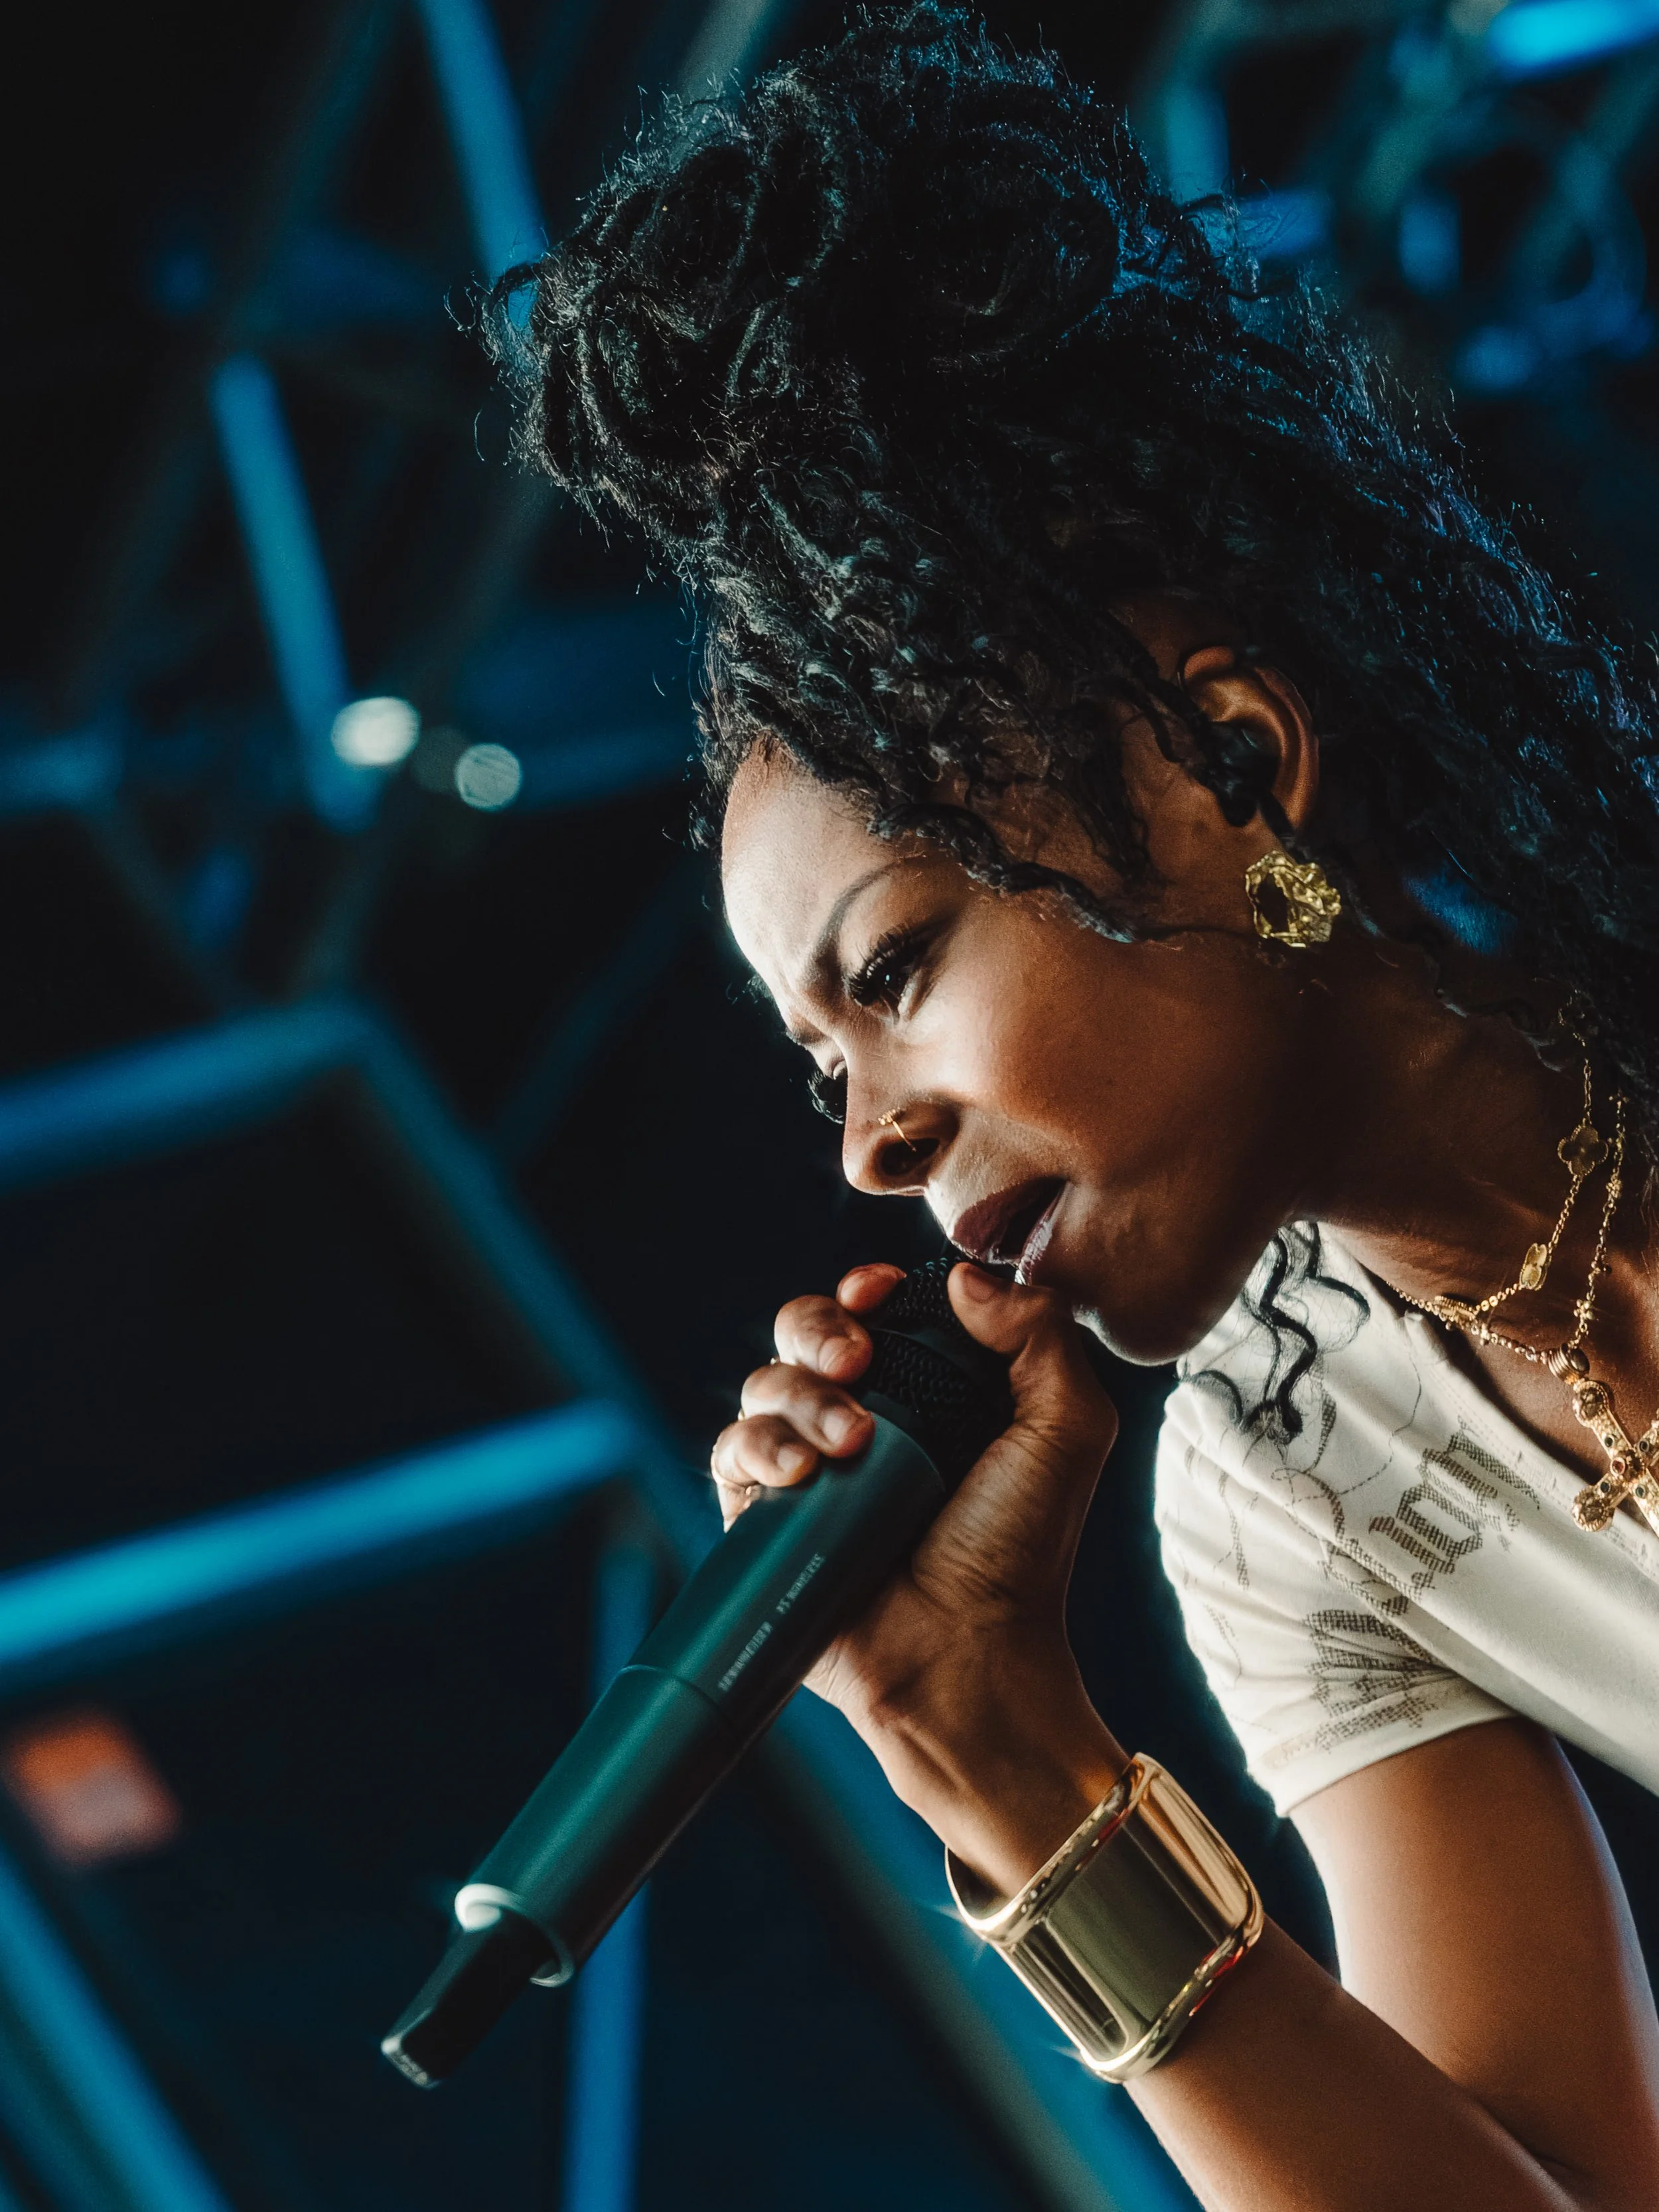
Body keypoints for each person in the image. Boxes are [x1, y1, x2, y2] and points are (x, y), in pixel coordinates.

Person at [494, 8, 1659, 2203]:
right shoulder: (1280, 1478)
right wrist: (1003, 1765)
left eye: (901, 969)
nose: (869, 1139)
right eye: (821, 1065)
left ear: (1229, 767)